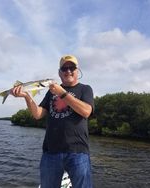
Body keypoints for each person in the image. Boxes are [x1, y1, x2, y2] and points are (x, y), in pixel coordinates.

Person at [11, 55, 94, 188]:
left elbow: (86, 111)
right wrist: (26, 96)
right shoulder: (51, 93)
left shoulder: (85, 89)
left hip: (78, 152)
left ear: (77, 71)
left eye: (71, 67)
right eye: (64, 68)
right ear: (59, 73)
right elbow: (38, 114)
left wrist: (62, 93)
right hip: (51, 153)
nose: (68, 71)